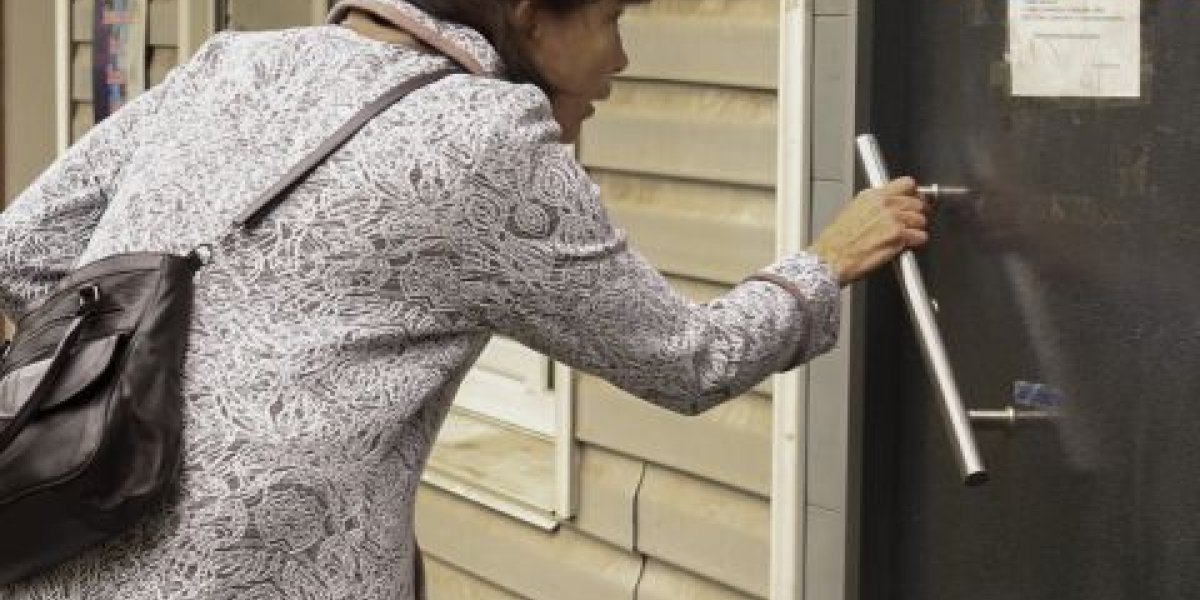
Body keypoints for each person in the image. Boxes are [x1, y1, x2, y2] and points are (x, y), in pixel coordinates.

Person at [0, 0, 927, 597]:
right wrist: (826, 261)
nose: (621, 57)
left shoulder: (236, 62)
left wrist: (151, 378)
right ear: (529, 17)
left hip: (66, 527)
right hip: (270, 568)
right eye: (609, 18)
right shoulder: (484, 136)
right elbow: (689, 361)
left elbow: (25, 249)